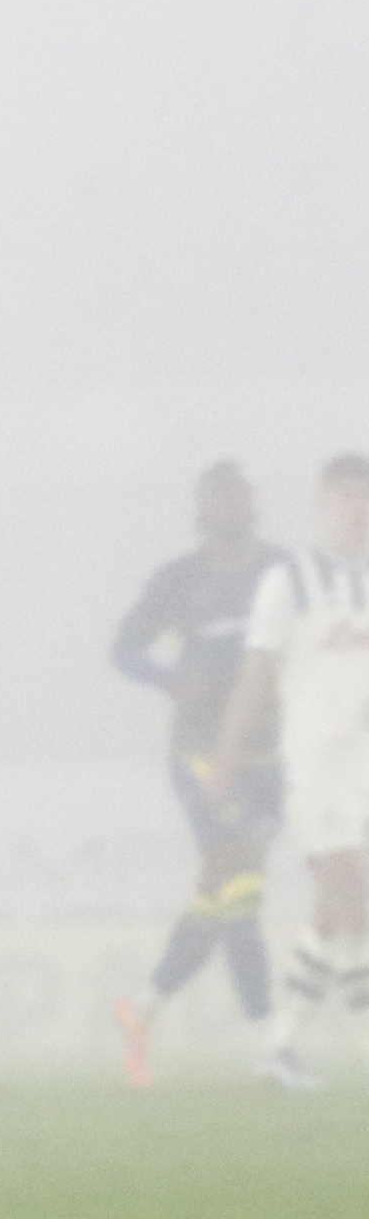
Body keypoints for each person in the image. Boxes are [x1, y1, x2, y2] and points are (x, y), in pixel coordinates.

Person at [110, 460, 279, 1084]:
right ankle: (272, 1044)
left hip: (269, 754)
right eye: (220, 497)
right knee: (241, 890)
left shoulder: (281, 572)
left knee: (217, 895)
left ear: (253, 502)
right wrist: (172, 680)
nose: (233, 506)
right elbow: (123, 649)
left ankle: (142, 1012)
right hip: (201, 754)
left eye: (241, 494)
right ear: (202, 511)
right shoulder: (178, 580)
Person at [206, 454, 369, 1091]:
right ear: (323, 503)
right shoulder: (289, 581)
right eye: (345, 496)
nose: (357, 508)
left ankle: (287, 1046)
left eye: (364, 496)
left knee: (340, 913)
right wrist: (225, 760)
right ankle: (326, 1030)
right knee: (348, 898)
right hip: (315, 770)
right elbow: (254, 677)